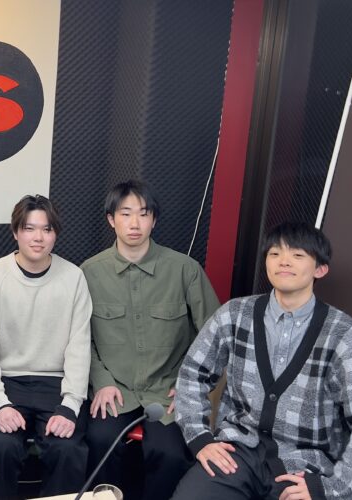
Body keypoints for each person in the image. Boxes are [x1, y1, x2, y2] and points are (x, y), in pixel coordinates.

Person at [173, 222, 352, 500]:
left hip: (304, 466)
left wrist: (332, 490)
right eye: (275, 254)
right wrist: (200, 438)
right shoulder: (234, 314)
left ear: (320, 269)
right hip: (236, 452)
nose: (284, 261)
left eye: (298, 255)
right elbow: (192, 374)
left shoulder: (344, 334)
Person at [80, 179, 220, 499]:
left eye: (143, 214)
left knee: (169, 453)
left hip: (168, 389)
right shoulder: (89, 273)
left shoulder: (185, 270)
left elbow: (215, 337)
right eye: (125, 213)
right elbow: (79, 339)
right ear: (111, 219)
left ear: (154, 220)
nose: (135, 223)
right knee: (99, 442)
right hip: (115, 389)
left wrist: (191, 383)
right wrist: (101, 381)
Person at [0, 195, 92, 499]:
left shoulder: (74, 277)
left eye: (47, 229)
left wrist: (70, 406)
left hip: (56, 384)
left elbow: (79, 347)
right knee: (2, 447)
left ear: (55, 234)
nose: (38, 237)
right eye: (29, 228)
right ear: (15, 232)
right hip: (7, 382)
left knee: (67, 450)